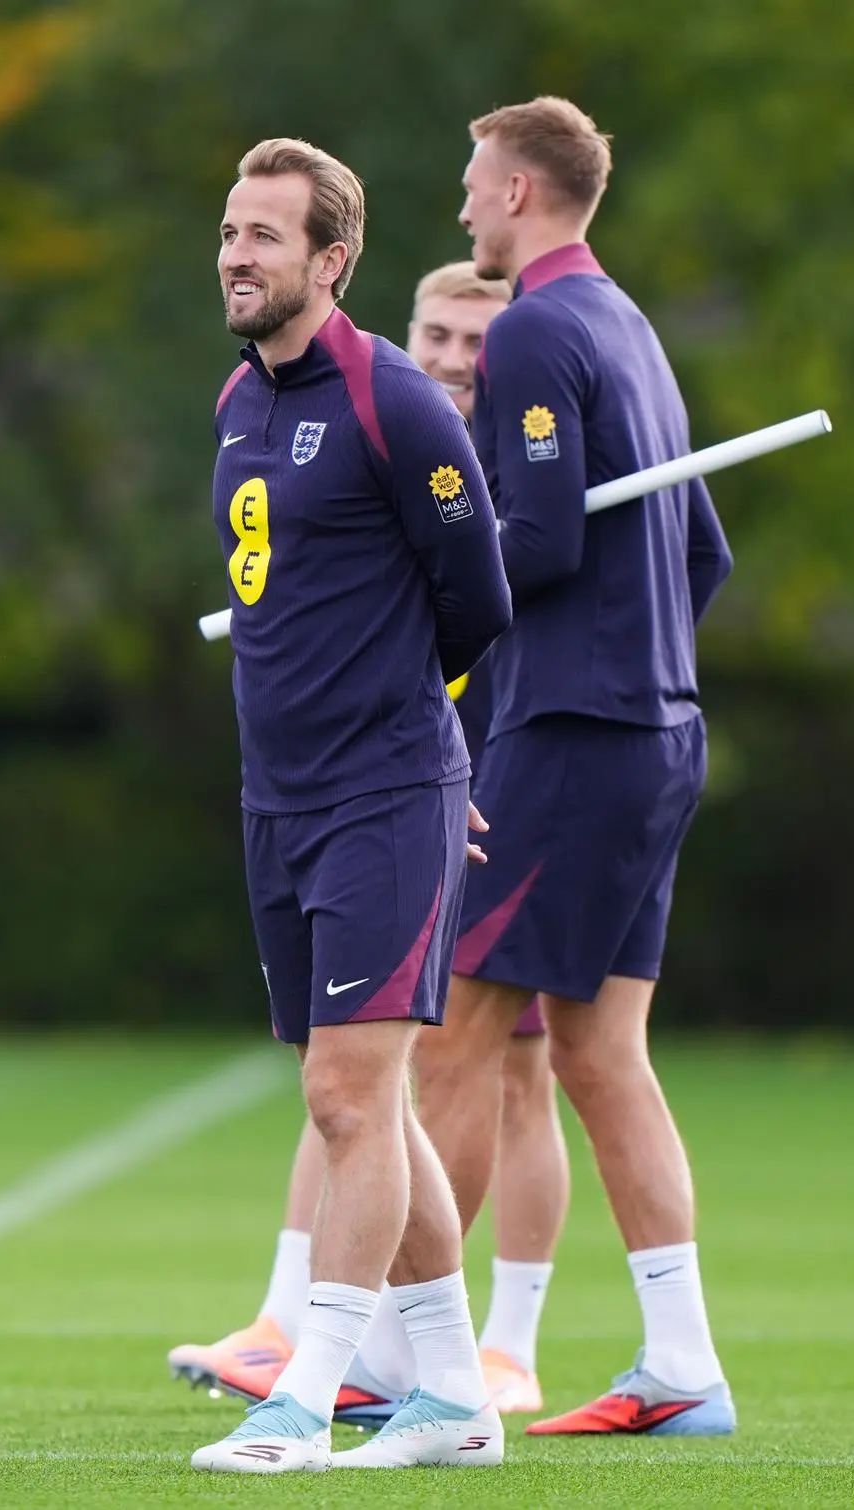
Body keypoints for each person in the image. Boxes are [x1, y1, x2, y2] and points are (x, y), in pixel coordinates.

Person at [169, 262, 570, 1421]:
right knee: (365, 1090)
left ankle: (414, 1361)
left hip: (441, 780)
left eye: (472, 337)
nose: (450, 353)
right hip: (324, 785)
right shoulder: (275, 409)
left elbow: (483, 608)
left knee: (496, 1072)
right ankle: (426, 1379)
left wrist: (444, 754)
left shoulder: (456, 423)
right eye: (435, 329)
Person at [410, 96, 739, 1439]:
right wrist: (632, 646)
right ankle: (683, 1367)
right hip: (658, 727)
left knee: (458, 1036)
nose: (465, 210)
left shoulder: (539, 327)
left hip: (575, 734)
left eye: (477, 187)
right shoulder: (630, 326)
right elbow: (701, 550)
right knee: (603, 1055)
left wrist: (411, 590)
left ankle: (410, 1366)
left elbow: (534, 543)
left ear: (527, 193)